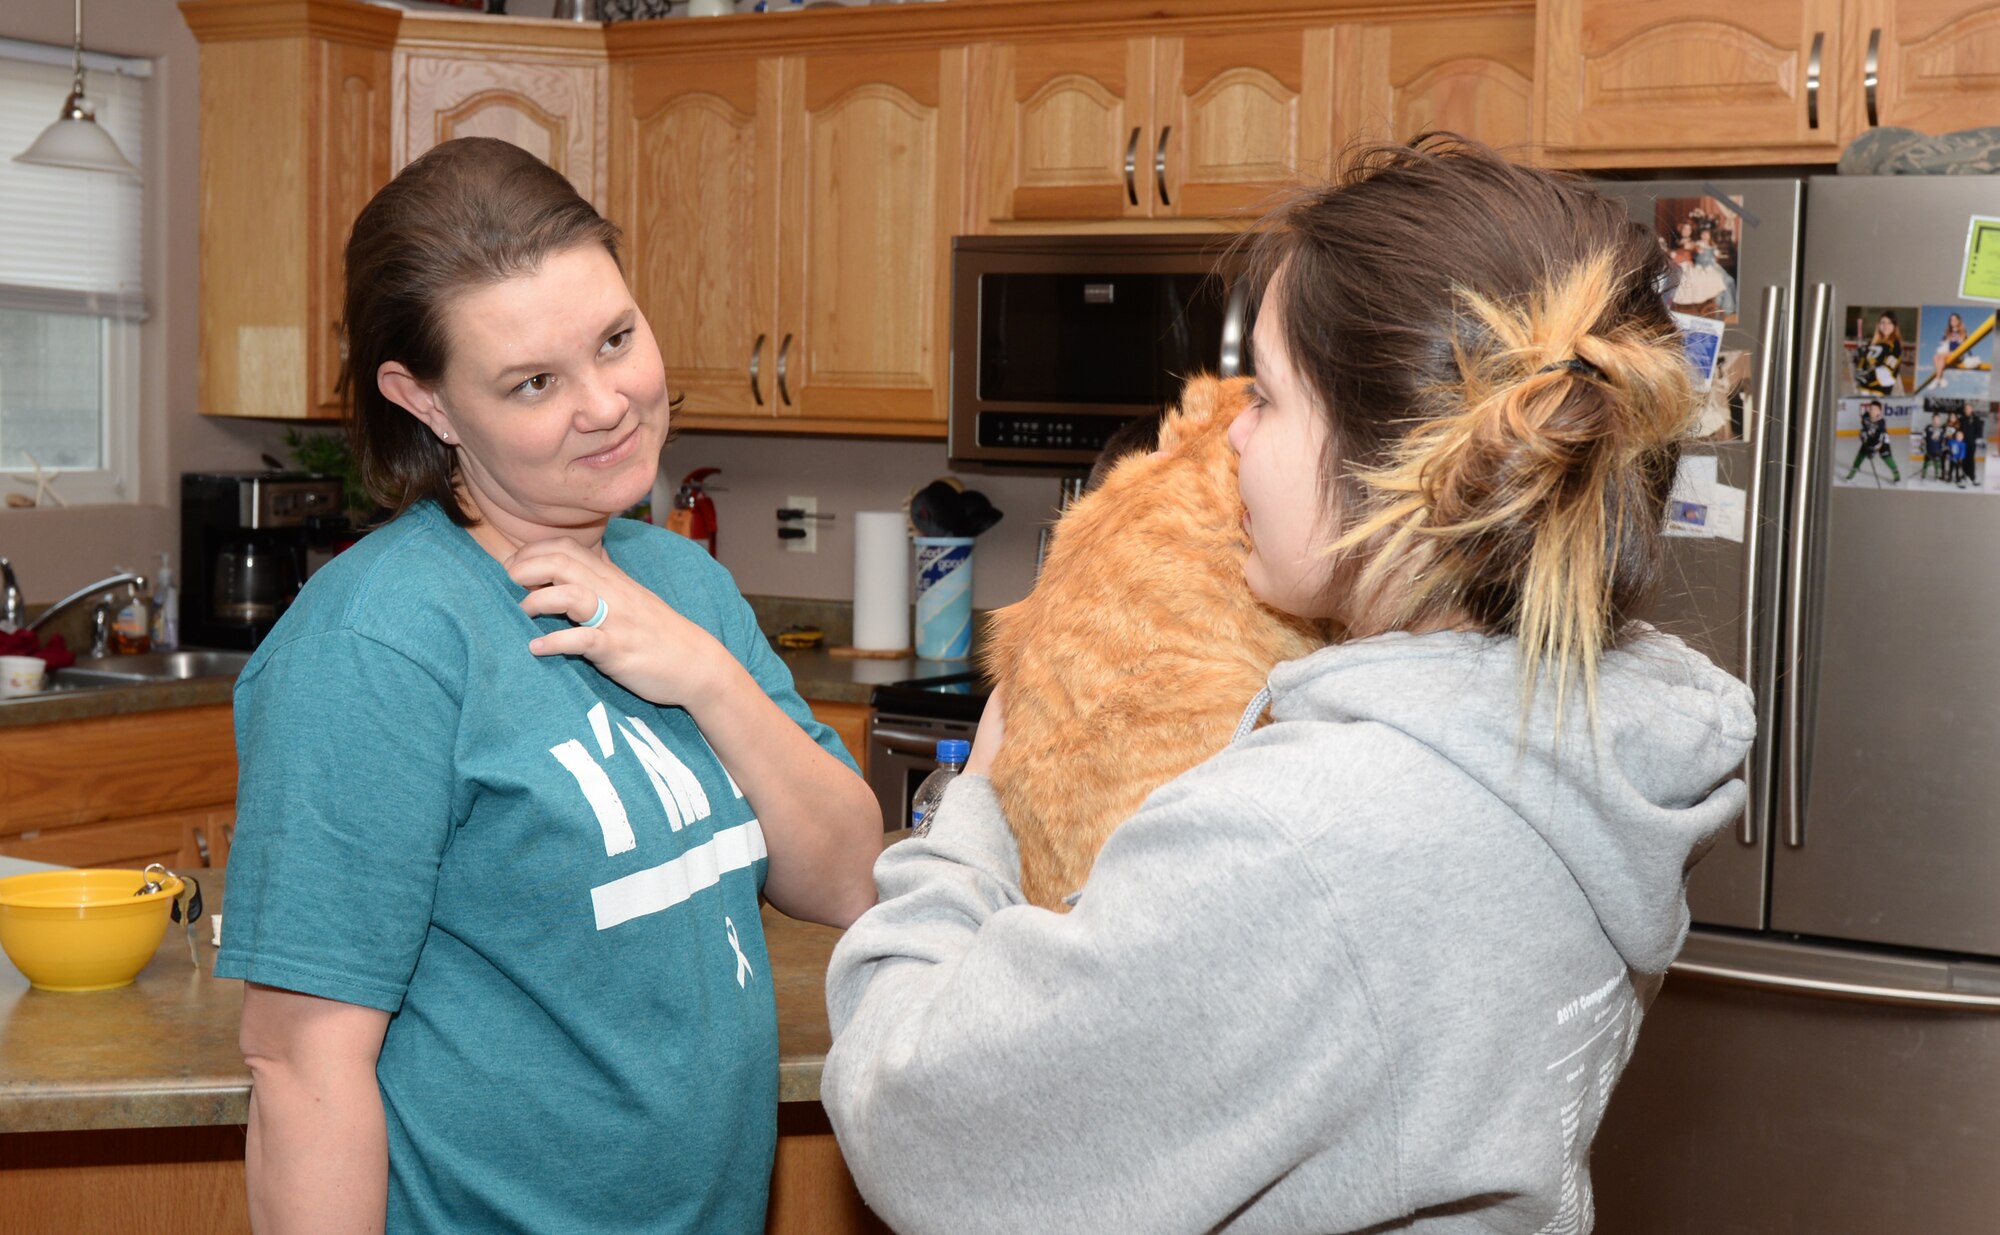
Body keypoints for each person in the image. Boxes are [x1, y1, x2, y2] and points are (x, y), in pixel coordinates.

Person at [820, 138, 1755, 1234]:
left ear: (1389, 465)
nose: (1230, 439)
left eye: (1262, 396)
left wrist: (962, 817)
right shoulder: (1589, 741)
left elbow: (925, 1128)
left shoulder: (1297, 839)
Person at [216, 138, 882, 1234]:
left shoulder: (680, 582)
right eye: (533, 382)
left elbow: (850, 876)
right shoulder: (378, 645)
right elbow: (300, 1063)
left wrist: (705, 672)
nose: (608, 402)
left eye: (616, 339)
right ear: (423, 400)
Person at [1844, 400, 1901, 483]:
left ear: (1879, 411)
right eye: (1870, 408)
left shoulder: (1881, 423)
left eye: (1874, 409)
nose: (1871, 410)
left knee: (1886, 457)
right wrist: (1863, 434)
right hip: (1869, 437)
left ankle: (1895, 472)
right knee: (1860, 455)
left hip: (1882, 441)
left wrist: (1872, 450)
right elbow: (1864, 427)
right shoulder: (1865, 416)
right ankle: (1854, 469)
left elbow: (1879, 440)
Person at [1855, 311, 1905, 395]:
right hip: (1866, 388)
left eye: (1889, 323)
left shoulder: (1895, 345)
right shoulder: (1872, 343)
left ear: (1894, 326)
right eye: (1882, 322)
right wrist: (1860, 364)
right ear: (1878, 325)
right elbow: (1863, 363)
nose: (1885, 326)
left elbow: (1888, 372)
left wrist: (1868, 376)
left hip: (1881, 390)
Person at [1933, 311, 1969, 392]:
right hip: (1949, 354)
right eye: (1951, 320)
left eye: (1955, 319)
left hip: (1959, 354)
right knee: (1935, 356)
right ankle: (1940, 379)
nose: (1953, 321)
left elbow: (1964, 346)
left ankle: (1937, 379)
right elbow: (1943, 345)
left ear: (1959, 321)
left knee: (1942, 356)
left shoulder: (1963, 331)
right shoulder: (1947, 332)